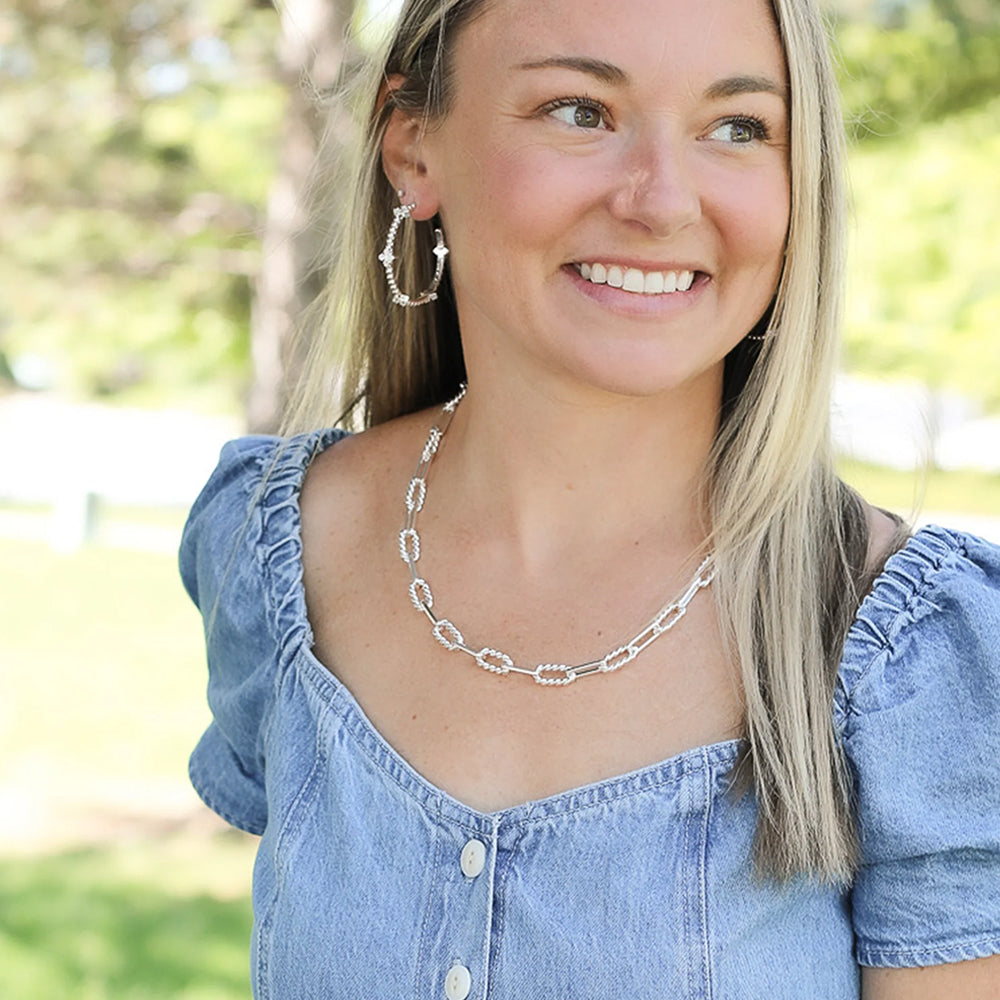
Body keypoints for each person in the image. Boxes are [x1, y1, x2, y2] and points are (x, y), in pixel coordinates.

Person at [179, 0, 1000, 996]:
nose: (659, 200)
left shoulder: (912, 655)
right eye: (579, 110)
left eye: (738, 127)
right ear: (413, 150)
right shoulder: (277, 551)